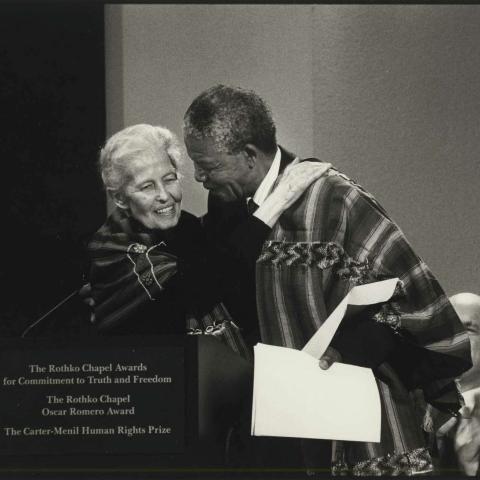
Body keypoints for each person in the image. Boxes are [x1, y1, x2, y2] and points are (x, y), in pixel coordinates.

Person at [182, 84, 473, 475]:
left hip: (352, 426)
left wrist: (349, 348)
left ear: (250, 155)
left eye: (209, 166)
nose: (199, 177)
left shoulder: (334, 199)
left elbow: (409, 297)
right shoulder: (224, 207)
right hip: (269, 433)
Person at [87, 123, 330, 356]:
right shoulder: (111, 246)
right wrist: (277, 201)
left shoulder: (188, 227)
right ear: (119, 198)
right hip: (149, 382)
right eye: (147, 187)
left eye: (169, 179)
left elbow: (230, 275)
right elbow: (198, 287)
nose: (164, 196)